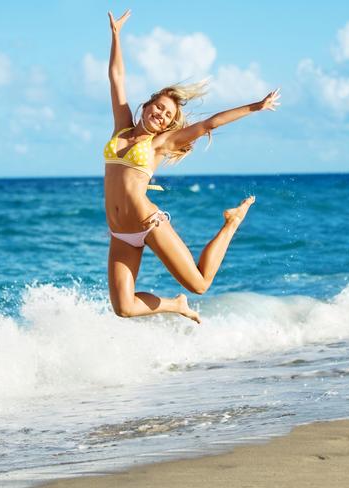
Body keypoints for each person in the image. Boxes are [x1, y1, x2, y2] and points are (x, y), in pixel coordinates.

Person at [105, 9, 280, 323]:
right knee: (124, 308)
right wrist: (116, 36)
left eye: (168, 116)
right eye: (158, 107)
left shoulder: (159, 143)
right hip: (120, 233)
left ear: (168, 125)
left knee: (200, 283)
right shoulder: (121, 127)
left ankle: (231, 222)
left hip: (148, 224)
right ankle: (176, 305)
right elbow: (117, 79)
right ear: (146, 105)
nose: (161, 114)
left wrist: (256, 106)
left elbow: (209, 123)